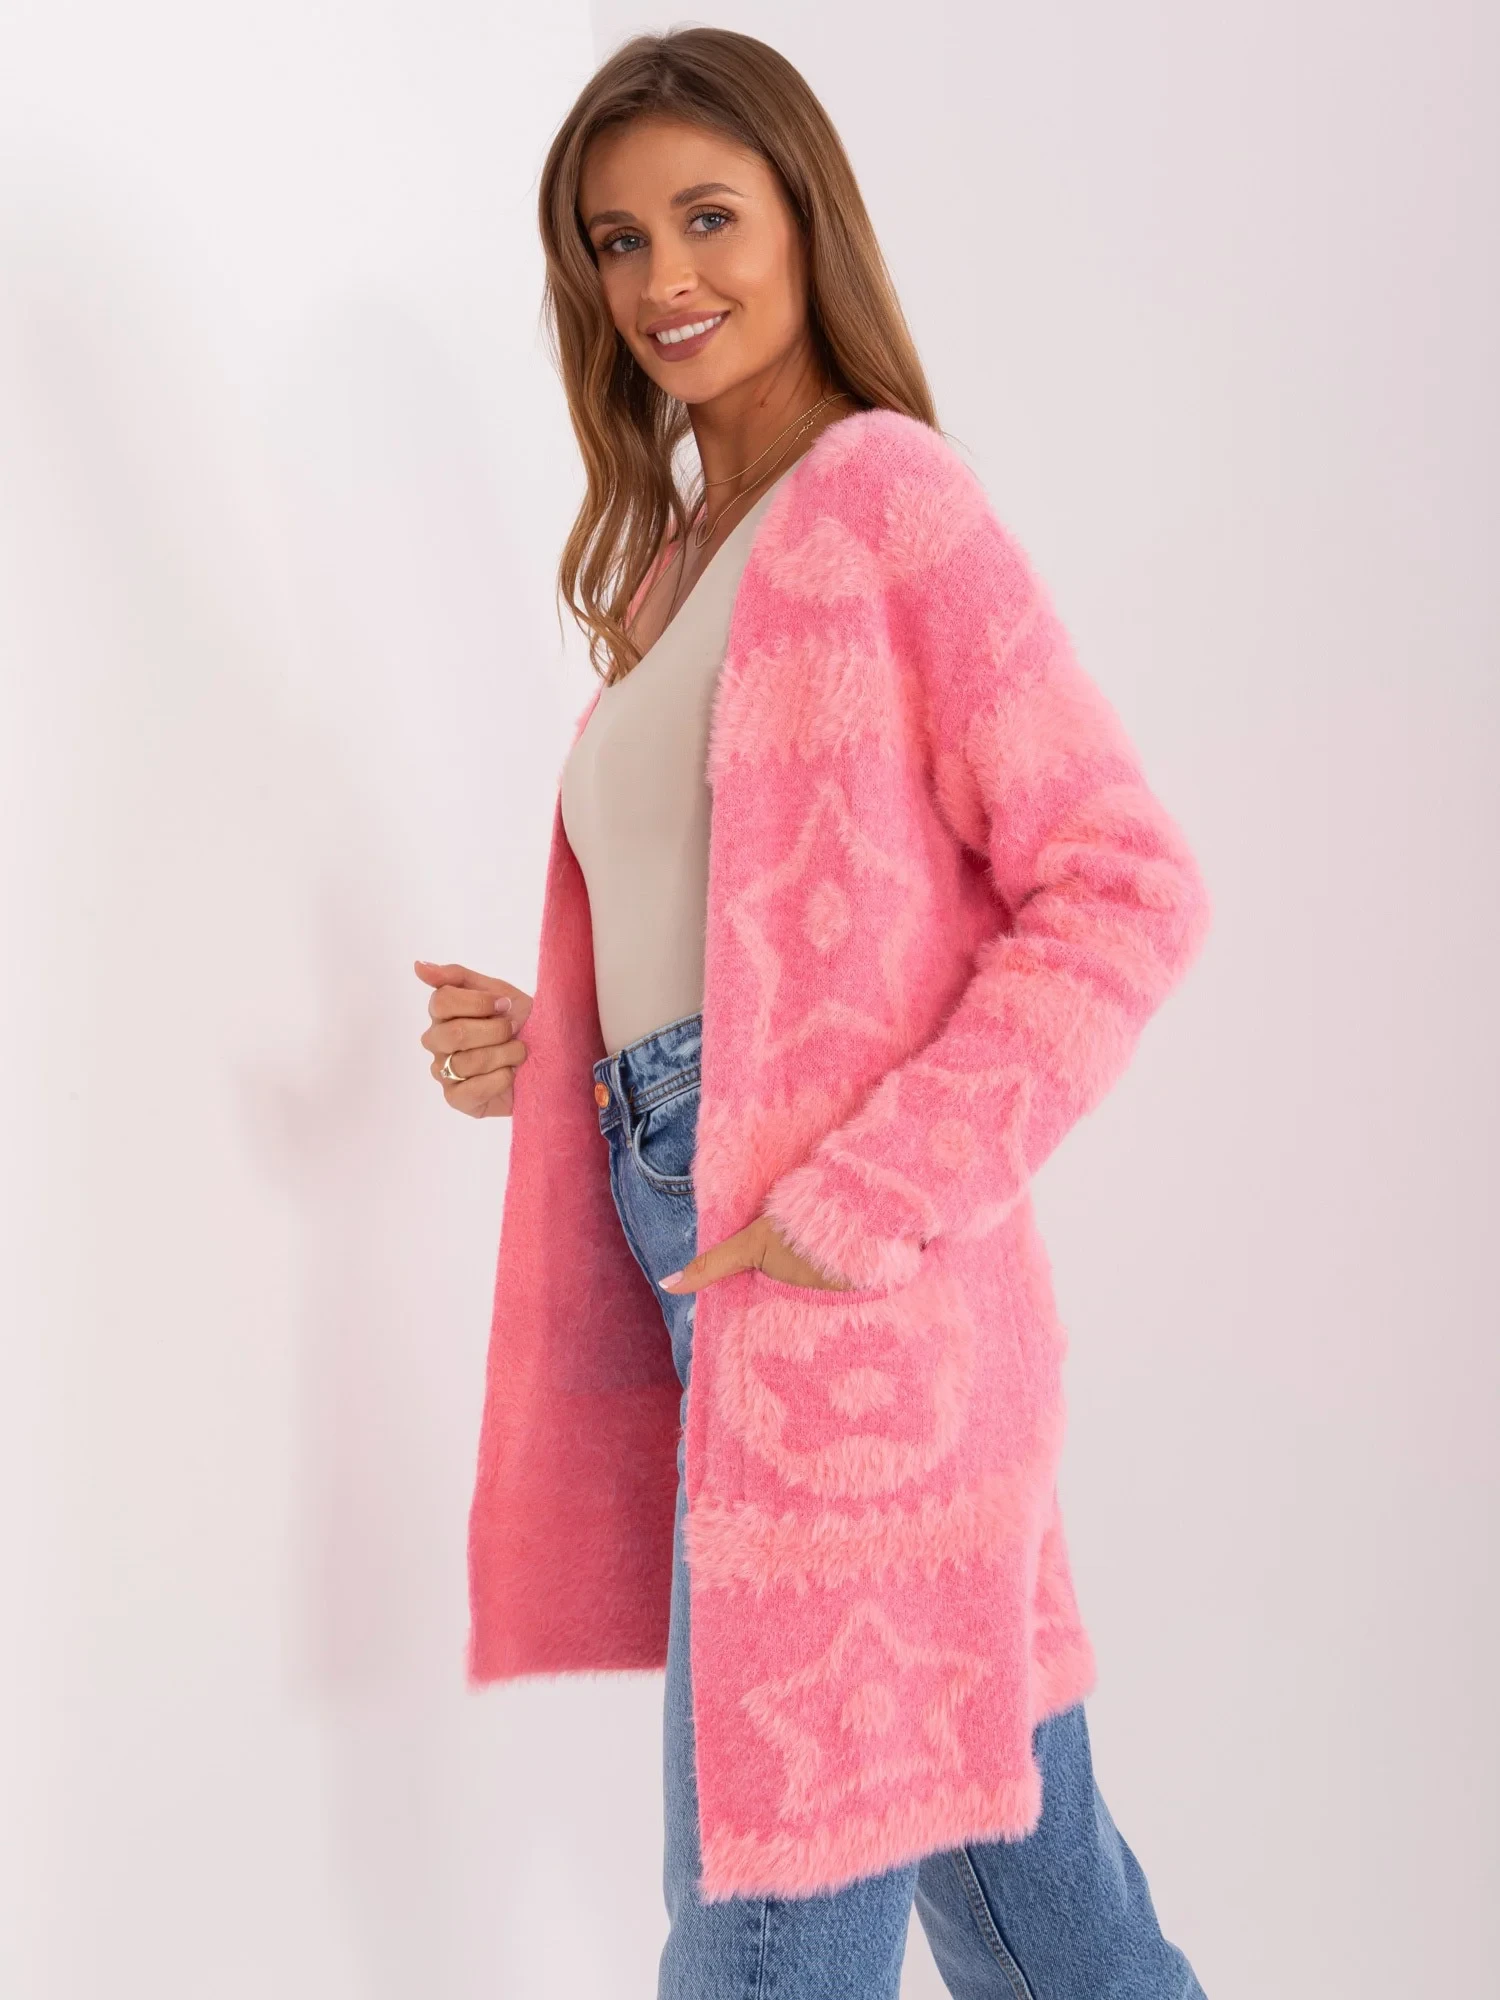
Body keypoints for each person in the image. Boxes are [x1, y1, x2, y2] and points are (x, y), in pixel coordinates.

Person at [415, 27, 1211, 2000]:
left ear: (803, 219)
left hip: (853, 1318)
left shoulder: (886, 500)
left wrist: (870, 1194)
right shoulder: (687, 556)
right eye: (619, 241)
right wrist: (563, 1047)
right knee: (1047, 1914)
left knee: (764, 1925)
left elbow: (1125, 884)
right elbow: (744, 945)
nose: (664, 278)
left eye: (709, 217)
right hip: (731, 1259)